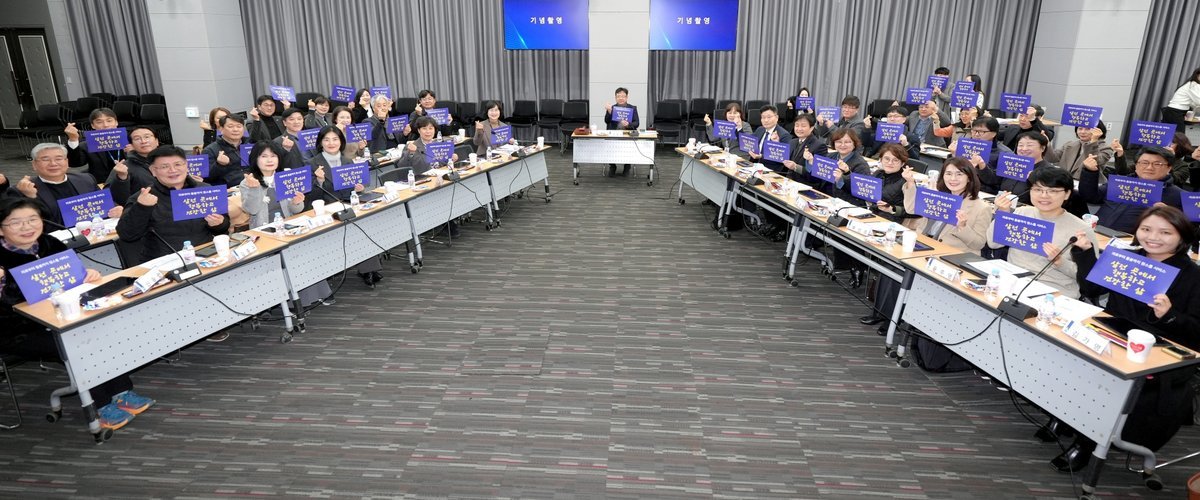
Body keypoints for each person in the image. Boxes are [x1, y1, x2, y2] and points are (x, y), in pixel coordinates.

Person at [1053, 206, 1200, 473]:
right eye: (1146, 229)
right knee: (1066, 358)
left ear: (1182, 237)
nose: (1152, 237)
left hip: (1156, 351)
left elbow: (1195, 331)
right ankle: (1065, 418)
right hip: (1111, 332)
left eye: (1165, 232)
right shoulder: (1128, 257)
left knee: (1105, 382)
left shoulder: (1193, 276)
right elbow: (1091, 288)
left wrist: (1170, 316)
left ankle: (1086, 443)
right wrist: (1084, 253)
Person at [0, 197, 154, 430]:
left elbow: (73, 276)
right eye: (16, 223)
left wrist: (87, 274)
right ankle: (100, 405)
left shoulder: (50, 243)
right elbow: (10, 303)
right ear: (1, 229)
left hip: (65, 316)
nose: (27, 227)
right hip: (18, 328)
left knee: (101, 328)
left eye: (32, 219)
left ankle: (122, 392)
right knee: (79, 342)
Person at [240, 142, 334, 305]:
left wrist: (297, 202)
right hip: (263, 232)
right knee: (289, 255)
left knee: (307, 248)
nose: (269, 160)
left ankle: (318, 292)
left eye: (273, 156)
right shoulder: (248, 182)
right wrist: (254, 189)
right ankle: (296, 302)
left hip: (288, 227)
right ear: (255, 159)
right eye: (264, 156)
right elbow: (252, 210)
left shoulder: (285, 177)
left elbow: (295, 210)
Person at [987, 167, 1097, 298]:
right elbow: (993, 244)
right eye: (1038, 189)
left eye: (1053, 191)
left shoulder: (1081, 230)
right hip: (1011, 281)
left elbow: (1090, 277)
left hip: (1053, 291)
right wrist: (1003, 214)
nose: (1044, 196)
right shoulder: (1022, 212)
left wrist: (1060, 262)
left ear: (1067, 194)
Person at [116, 145, 231, 265]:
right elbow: (127, 235)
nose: (172, 170)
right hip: (165, 262)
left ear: (186, 166)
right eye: (164, 167)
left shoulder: (205, 190)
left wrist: (219, 223)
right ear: (153, 171)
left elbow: (224, 227)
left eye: (178, 164)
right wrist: (142, 207)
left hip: (206, 255)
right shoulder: (143, 197)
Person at [308, 126, 385, 287]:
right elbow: (310, 197)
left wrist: (358, 188)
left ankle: (368, 269)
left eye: (335, 139)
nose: (331, 143)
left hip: (348, 204)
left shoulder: (347, 161)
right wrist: (319, 181)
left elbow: (351, 188)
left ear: (341, 141)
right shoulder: (312, 164)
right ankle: (366, 269)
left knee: (364, 223)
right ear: (320, 143)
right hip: (327, 209)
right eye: (326, 140)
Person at [8, 143, 120, 227]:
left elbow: (104, 203)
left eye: (58, 159)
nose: (53, 163)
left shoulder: (85, 179)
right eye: (45, 160)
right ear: (34, 165)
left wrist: (116, 208)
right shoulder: (22, 190)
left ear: (66, 162)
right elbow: (28, 223)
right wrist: (30, 198)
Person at [1077, 146, 1184, 234]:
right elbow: (1091, 197)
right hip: (1096, 232)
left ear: (1169, 168)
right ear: (1136, 166)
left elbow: (1186, 229)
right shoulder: (1121, 182)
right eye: (1144, 163)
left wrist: (1169, 214)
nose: (1149, 167)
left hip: (1133, 244)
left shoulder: (1178, 195)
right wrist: (1090, 172)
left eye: (1157, 164)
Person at [64, 108, 127, 182]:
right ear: (93, 125)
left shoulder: (131, 141)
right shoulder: (86, 145)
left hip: (130, 180)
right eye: (99, 122)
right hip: (102, 184)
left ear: (116, 122)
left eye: (109, 121)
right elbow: (75, 164)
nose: (106, 125)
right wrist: (73, 139)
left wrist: (132, 152)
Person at [806, 128, 870, 201]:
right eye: (839, 142)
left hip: (843, 201)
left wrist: (841, 179)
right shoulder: (829, 156)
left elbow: (860, 192)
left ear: (854, 144)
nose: (842, 145)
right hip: (822, 196)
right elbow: (815, 180)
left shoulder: (861, 165)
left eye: (847, 142)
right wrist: (811, 163)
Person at [1112, 131, 1195, 187]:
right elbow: (1123, 171)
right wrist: (1120, 153)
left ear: (1180, 146)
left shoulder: (1183, 166)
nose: (1166, 145)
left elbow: (1173, 181)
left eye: (1171, 143)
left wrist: (1170, 159)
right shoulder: (1150, 158)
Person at [105, 125, 160, 204]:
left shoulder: (171, 162)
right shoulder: (124, 167)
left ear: (157, 141)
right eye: (137, 139)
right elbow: (112, 198)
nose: (143, 141)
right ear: (131, 145)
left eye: (147, 137)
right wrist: (121, 179)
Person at [964, 116, 1014, 194]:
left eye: (981, 132)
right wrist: (953, 155)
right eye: (974, 131)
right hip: (963, 187)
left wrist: (982, 166)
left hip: (986, 192)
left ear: (994, 133)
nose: (976, 134)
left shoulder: (1006, 153)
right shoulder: (966, 145)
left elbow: (995, 180)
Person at [1045, 124, 1112, 180]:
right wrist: (1046, 143)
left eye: (1088, 129)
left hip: (1087, 184)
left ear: (1098, 131)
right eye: (1080, 128)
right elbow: (1052, 159)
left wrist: (1093, 141)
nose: (1082, 132)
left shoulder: (1106, 148)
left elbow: (1095, 161)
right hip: (1064, 181)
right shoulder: (1069, 144)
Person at [201, 114, 249, 187]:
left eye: (239, 126)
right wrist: (219, 165)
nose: (235, 129)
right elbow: (206, 179)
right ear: (221, 129)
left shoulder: (249, 145)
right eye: (230, 126)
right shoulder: (209, 150)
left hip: (252, 185)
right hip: (229, 189)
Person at [603, 87, 640, 176]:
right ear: (615, 98)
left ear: (627, 97)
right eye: (618, 96)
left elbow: (637, 123)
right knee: (610, 148)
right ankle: (612, 166)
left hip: (627, 134)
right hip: (614, 134)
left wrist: (628, 124)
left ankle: (627, 166)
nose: (621, 98)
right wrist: (609, 111)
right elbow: (607, 121)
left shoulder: (632, 108)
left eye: (623, 96)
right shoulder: (612, 108)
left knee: (628, 147)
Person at [782, 113, 828, 183]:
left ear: (811, 128)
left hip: (804, 183)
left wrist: (796, 167)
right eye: (797, 125)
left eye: (803, 126)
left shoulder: (819, 146)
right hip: (787, 180)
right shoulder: (792, 142)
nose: (799, 129)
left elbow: (817, 174)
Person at [747, 105, 793, 173]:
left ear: (777, 118)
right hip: (754, 166)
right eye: (763, 117)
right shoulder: (760, 129)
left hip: (771, 170)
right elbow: (749, 142)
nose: (766, 120)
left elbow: (783, 158)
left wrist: (762, 156)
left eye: (769, 117)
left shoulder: (784, 135)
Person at [1161, 67, 1200, 131]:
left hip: (1171, 111)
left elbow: (1193, 103)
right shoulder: (1194, 85)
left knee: (1167, 134)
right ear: (1197, 75)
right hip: (1175, 112)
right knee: (1179, 135)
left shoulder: (1190, 83)